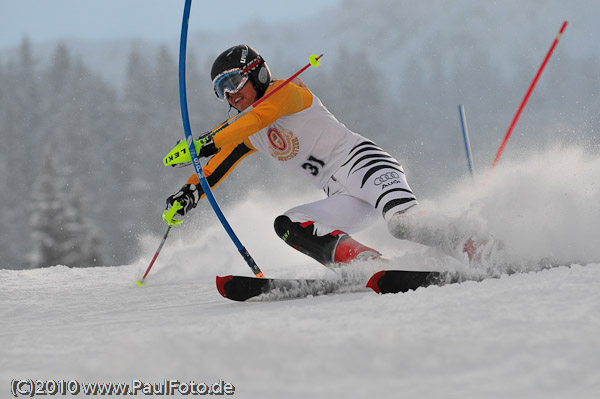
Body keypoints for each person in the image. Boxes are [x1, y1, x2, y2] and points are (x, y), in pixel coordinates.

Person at [164, 44, 489, 267]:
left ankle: (482, 245)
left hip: (366, 166)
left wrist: (206, 141)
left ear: (257, 73)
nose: (231, 94)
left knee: (402, 224)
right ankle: (363, 264)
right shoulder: (246, 132)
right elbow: (217, 166)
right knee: (289, 223)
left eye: (234, 81)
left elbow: (255, 119)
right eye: (222, 90)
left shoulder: (284, 92)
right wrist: (189, 193)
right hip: (342, 195)